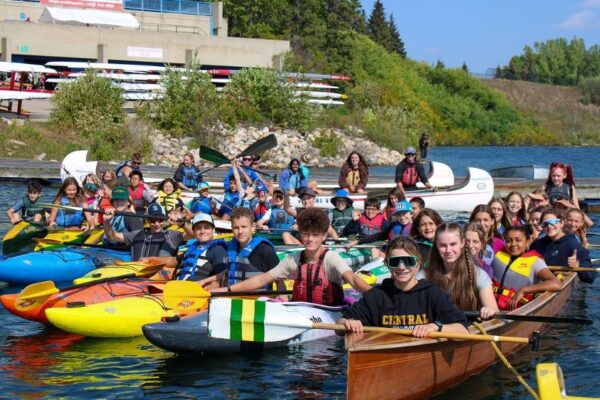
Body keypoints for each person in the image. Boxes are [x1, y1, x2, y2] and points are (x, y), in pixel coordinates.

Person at [214, 208, 372, 305]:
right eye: (306, 234)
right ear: (301, 234)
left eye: (315, 235)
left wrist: (375, 295)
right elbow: (261, 279)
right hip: (300, 311)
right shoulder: (293, 260)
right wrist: (227, 290)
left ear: (324, 236)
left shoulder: (331, 258)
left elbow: (352, 278)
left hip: (328, 311)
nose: (310, 239)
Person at [338, 236, 469, 337]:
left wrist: (435, 327)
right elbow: (338, 326)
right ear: (387, 265)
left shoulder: (432, 293)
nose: (402, 267)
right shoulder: (376, 296)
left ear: (418, 264)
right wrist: (347, 323)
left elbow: (463, 330)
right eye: (395, 262)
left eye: (408, 261)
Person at [426, 223, 498, 319]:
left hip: (468, 329)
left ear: (462, 243)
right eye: (443, 245)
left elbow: (495, 312)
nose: (448, 250)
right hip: (433, 329)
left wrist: (489, 311)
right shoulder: (424, 275)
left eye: (453, 244)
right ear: (436, 245)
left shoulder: (479, 275)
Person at [199, 207, 281, 289]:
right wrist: (205, 281)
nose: (240, 231)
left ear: (252, 227)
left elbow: (280, 279)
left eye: (244, 227)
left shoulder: (265, 250)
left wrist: (281, 297)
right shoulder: (230, 249)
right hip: (233, 296)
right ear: (232, 228)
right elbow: (230, 272)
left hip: (257, 298)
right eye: (236, 228)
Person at [492, 225, 561, 310]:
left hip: (516, 308)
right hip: (491, 303)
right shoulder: (497, 254)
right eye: (508, 241)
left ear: (527, 242)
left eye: (518, 240)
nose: (513, 244)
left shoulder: (535, 262)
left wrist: (523, 290)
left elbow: (556, 284)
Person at [143, 213, 228, 281]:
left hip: (196, 292)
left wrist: (206, 285)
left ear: (213, 230)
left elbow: (222, 276)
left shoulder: (218, 250)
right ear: (194, 232)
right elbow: (173, 260)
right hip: (180, 287)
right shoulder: (193, 247)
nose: (202, 231)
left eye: (206, 228)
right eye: (198, 228)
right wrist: (150, 259)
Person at [530, 210, 596, 284]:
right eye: (545, 224)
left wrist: (577, 265)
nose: (549, 226)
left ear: (561, 223)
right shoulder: (536, 245)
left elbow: (590, 277)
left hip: (555, 284)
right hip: (537, 283)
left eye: (553, 222)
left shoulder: (573, 245)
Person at [103, 202, 185, 261]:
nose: (156, 224)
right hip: (135, 275)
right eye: (153, 220)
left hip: (158, 277)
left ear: (164, 220)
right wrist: (106, 221)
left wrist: (182, 224)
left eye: (160, 220)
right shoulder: (137, 234)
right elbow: (112, 236)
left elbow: (193, 235)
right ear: (148, 221)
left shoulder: (172, 235)